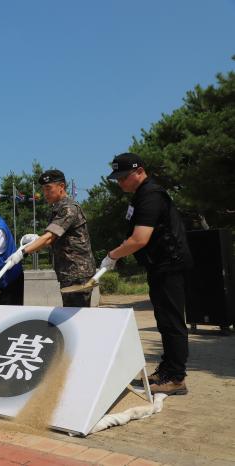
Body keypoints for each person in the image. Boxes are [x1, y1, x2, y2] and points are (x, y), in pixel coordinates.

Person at [102, 153, 192, 395]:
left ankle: (176, 377)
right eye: (117, 179)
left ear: (140, 171)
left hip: (169, 265)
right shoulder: (140, 196)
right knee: (164, 320)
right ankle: (167, 369)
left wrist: (113, 256)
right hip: (158, 266)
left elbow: (139, 239)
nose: (120, 183)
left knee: (172, 321)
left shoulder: (151, 195)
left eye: (123, 177)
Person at [6, 170, 95, 307]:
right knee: (71, 314)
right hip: (69, 271)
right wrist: (37, 239)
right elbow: (55, 239)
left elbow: (49, 238)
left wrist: (22, 253)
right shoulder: (58, 208)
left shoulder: (68, 208)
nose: (45, 193)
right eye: (43, 189)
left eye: (48, 188)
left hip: (78, 273)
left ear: (62, 187)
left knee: (77, 318)